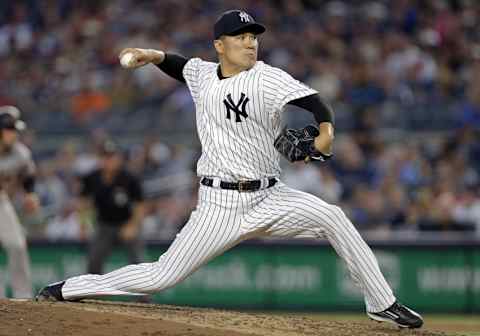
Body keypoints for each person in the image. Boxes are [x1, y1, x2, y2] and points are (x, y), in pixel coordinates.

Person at [37, 10, 423, 329]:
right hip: (218, 205)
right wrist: (152, 54)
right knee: (161, 277)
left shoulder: (267, 77)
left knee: (333, 217)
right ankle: (70, 287)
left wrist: (325, 134)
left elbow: (318, 104)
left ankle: (381, 302)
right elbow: (179, 65)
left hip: (271, 196)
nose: (250, 42)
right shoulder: (203, 75)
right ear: (220, 46)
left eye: (253, 36)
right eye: (240, 36)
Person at [78, 139, 146, 275]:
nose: (109, 160)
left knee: (138, 260)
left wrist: (132, 225)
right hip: (104, 225)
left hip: (126, 223)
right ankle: (93, 293)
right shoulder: (92, 178)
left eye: (112, 156)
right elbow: (83, 202)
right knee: (94, 260)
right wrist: (83, 224)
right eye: (105, 156)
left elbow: (140, 205)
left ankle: (142, 296)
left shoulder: (129, 178)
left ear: (119, 158)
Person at [0, 105, 39, 298]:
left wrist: (30, 193)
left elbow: (28, 175)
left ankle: (23, 295)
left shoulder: (20, 153)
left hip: (1, 201)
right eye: (10, 130)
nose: (15, 134)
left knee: (16, 244)